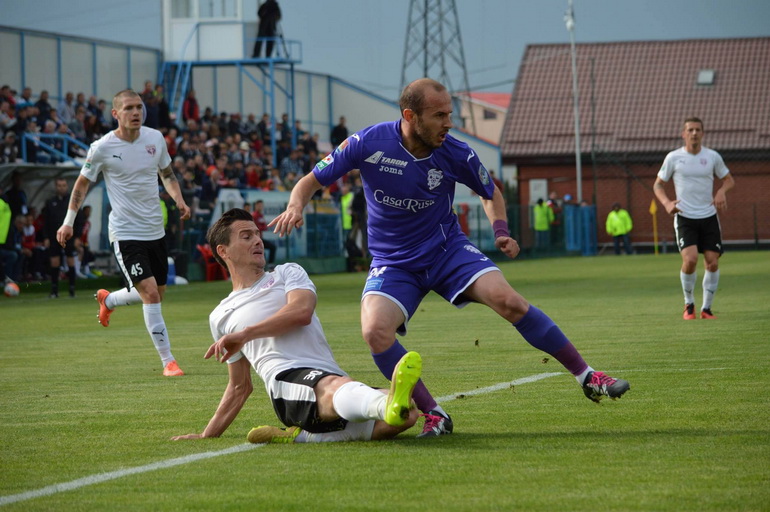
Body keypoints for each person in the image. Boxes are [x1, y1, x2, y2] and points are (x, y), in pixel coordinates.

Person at [270, 78, 630, 437]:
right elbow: (310, 181)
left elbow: (491, 193)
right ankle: (435, 414)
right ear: (410, 115)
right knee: (375, 332)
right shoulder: (368, 142)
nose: (449, 123)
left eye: (450, 114)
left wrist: (501, 230)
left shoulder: (456, 152)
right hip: (395, 263)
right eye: (439, 115)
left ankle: (588, 376)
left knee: (510, 301)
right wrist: (294, 206)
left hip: (448, 251)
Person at [171, 208, 422, 444]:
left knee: (408, 414)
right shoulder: (221, 316)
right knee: (356, 395)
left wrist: (245, 334)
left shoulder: (287, 273)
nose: (258, 241)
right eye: (246, 237)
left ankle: (304, 436)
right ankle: (378, 404)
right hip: (286, 381)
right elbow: (240, 386)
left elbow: (301, 312)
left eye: (257, 234)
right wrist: (207, 434)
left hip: (329, 374)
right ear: (223, 251)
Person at [56, 89, 191, 377]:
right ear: (116, 114)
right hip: (126, 232)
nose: (136, 112)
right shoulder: (102, 147)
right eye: (129, 108)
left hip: (155, 230)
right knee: (151, 294)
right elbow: (81, 185)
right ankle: (168, 361)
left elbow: (167, 174)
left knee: (157, 294)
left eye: (139, 107)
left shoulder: (155, 139)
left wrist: (178, 199)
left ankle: (110, 300)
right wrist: (68, 221)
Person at [653, 116, 735, 320]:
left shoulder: (712, 157)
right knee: (689, 260)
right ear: (683, 134)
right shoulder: (673, 158)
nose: (694, 133)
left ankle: (706, 309)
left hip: (708, 216)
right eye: (690, 130)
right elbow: (658, 185)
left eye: (697, 129)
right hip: (684, 216)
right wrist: (667, 203)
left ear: (703, 133)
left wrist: (721, 192)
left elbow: (729, 180)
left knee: (712, 263)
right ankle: (689, 304)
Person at [43, 178, 80, 298]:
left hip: (69, 236)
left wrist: (77, 237)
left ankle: (72, 289)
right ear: (56, 187)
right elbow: (46, 221)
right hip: (54, 237)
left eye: (64, 185)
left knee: (70, 261)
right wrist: (46, 237)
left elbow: (79, 221)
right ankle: (54, 290)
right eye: (59, 185)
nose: (61, 188)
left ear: (67, 186)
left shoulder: (72, 201)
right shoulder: (50, 202)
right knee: (55, 262)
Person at [252, 199, 276, 266]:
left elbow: (264, 227)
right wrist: (261, 227)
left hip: (260, 238)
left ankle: (270, 265)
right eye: (259, 205)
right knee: (262, 252)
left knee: (272, 247)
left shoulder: (261, 215)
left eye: (261, 205)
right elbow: (256, 228)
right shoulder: (254, 215)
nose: (261, 207)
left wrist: (261, 227)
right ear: (256, 206)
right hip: (254, 240)